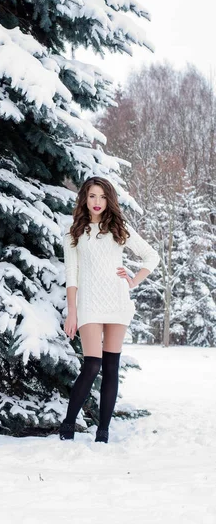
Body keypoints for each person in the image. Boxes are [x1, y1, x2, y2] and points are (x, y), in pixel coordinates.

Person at [59, 176, 159, 443]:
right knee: (92, 365)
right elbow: (72, 274)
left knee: (111, 366)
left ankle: (102, 432)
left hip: (117, 300)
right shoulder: (74, 233)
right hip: (89, 303)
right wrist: (72, 310)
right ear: (84, 198)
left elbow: (152, 256)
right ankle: (67, 426)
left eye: (102, 197)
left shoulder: (118, 227)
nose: (97, 202)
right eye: (92, 196)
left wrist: (133, 280)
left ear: (109, 200)